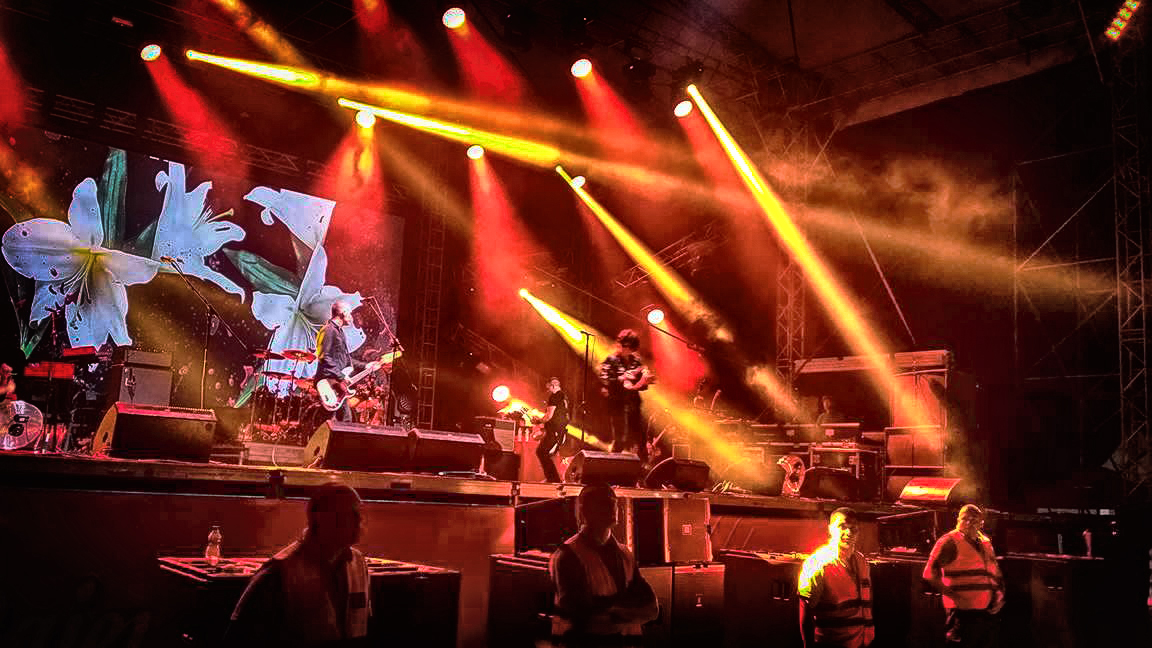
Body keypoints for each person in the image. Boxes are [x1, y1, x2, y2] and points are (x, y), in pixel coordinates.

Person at [226, 482, 371, 647]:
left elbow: (364, 623)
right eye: (351, 513)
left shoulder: (358, 564)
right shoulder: (279, 572)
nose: (360, 520)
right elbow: (240, 636)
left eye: (359, 513)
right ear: (321, 518)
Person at [549, 484, 659, 646]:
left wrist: (609, 609)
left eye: (614, 502)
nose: (613, 508)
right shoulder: (568, 555)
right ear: (586, 511)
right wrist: (629, 609)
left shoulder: (625, 554)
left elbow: (652, 609)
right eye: (604, 503)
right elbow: (584, 618)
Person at [923, 504, 1005, 647]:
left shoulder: (985, 542)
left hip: (987, 612)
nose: (968, 523)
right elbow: (929, 574)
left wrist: (1000, 596)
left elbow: (995, 572)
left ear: (981, 524)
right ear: (957, 520)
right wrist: (955, 597)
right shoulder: (949, 541)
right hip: (962, 614)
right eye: (964, 519)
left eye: (973, 520)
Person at [798, 507, 874, 648]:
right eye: (842, 526)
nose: (849, 532)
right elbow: (806, 611)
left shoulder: (861, 561)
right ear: (830, 529)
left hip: (861, 642)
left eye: (853, 528)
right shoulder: (817, 563)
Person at [314, 301, 386, 422]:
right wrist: (341, 377)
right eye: (350, 313)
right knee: (336, 420)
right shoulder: (329, 330)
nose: (351, 317)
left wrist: (366, 366)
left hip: (337, 384)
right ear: (343, 313)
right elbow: (324, 357)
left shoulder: (339, 332)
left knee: (344, 419)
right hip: (329, 383)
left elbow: (345, 359)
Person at [598, 330, 653, 464]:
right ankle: (612, 467)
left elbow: (641, 386)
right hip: (618, 404)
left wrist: (645, 381)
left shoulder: (636, 361)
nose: (624, 349)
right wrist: (622, 378)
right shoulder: (611, 360)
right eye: (623, 345)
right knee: (620, 438)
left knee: (641, 438)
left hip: (634, 403)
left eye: (628, 346)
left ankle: (644, 469)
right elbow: (605, 380)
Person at [535, 377, 571, 483]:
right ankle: (552, 478)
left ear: (553, 385)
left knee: (541, 452)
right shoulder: (564, 396)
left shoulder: (555, 396)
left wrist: (538, 420)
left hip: (555, 431)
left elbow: (549, 416)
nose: (548, 389)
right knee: (545, 453)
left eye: (549, 387)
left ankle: (553, 479)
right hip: (559, 431)